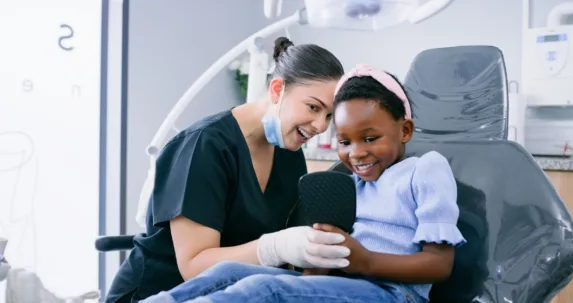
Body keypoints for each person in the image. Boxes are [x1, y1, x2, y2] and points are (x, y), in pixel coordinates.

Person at [140, 64, 467, 303]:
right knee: (226, 274)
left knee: (262, 291)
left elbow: (439, 265)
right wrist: (312, 272)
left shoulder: (424, 169)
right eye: (344, 141)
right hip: (350, 286)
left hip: (396, 294)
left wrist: (365, 262)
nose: (356, 154)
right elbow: (332, 263)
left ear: (405, 131)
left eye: (370, 138)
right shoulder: (353, 184)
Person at [104, 37, 351, 303]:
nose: (320, 126)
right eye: (313, 107)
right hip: (157, 293)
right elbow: (194, 267)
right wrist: (276, 247)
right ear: (278, 90)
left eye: (328, 116)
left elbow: (284, 261)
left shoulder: (288, 155)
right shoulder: (206, 145)